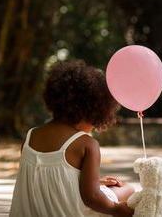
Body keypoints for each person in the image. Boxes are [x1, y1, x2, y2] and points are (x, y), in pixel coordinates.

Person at [10, 60, 135, 217]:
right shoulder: (87, 144)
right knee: (128, 190)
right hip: (72, 212)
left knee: (109, 189)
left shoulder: (30, 137)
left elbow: (45, 182)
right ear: (93, 110)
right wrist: (117, 210)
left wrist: (93, 182)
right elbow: (92, 198)